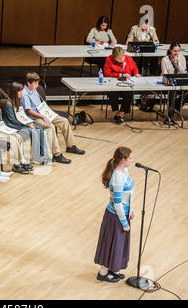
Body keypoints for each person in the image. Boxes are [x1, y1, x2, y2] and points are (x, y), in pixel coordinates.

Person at [20, 72, 85, 164]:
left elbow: (41, 104)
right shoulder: (24, 94)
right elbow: (29, 111)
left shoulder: (34, 89)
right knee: (50, 126)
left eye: (37, 83)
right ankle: (57, 154)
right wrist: (43, 116)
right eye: (35, 83)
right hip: (34, 117)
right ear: (28, 83)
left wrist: (48, 113)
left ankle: (70, 146)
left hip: (43, 113)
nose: (37, 85)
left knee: (64, 121)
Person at [94, 146, 134, 283]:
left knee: (118, 245)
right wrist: (124, 222)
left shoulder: (125, 170)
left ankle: (113, 269)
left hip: (123, 214)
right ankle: (103, 272)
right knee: (110, 245)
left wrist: (131, 210)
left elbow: (127, 196)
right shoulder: (117, 178)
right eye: (130, 158)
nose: (132, 160)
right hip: (115, 217)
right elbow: (117, 204)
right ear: (122, 160)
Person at [0, 92, 34, 174]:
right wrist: (8, 133)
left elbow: (1, 124)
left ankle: (22, 160)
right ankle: (17, 163)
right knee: (12, 139)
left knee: (18, 136)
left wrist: (11, 131)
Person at [0, 82, 48, 164]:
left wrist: (30, 122)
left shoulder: (18, 102)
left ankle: (43, 155)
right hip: (12, 125)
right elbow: (12, 120)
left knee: (39, 129)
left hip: (20, 123)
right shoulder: (8, 104)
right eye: (20, 91)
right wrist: (28, 125)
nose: (21, 93)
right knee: (33, 132)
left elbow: (23, 116)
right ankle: (36, 158)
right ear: (14, 92)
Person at [103, 47, 141, 124]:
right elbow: (107, 73)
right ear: (114, 57)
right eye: (119, 58)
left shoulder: (129, 58)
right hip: (114, 84)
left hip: (126, 83)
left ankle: (121, 113)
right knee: (112, 93)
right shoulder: (109, 60)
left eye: (122, 57)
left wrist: (136, 73)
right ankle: (117, 112)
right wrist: (120, 75)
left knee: (129, 93)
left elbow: (134, 69)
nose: (122, 59)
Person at [161, 43, 188, 123]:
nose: (176, 53)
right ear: (170, 50)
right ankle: (170, 115)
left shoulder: (182, 58)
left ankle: (175, 107)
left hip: (180, 81)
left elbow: (184, 72)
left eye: (178, 51)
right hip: (170, 82)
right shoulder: (164, 59)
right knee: (173, 91)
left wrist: (178, 64)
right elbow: (165, 74)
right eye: (174, 51)